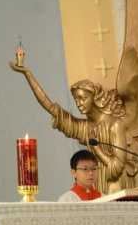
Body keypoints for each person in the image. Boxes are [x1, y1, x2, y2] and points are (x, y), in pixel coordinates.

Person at [10, 63, 131, 194]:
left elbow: (117, 166)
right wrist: (28, 74)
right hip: (96, 183)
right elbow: (51, 108)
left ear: (94, 98)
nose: (79, 104)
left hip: (115, 185)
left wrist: (97, 149)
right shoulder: (85, 127)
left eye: (83, 98)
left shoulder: (115, 124)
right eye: (76, 100)